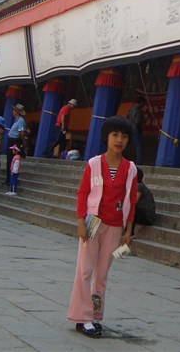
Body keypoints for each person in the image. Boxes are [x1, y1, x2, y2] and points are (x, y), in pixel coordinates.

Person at [67, 116, 138, 339]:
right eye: (114, 135)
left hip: (115, 225)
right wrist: (80, 222)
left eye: (124, 136)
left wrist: (128, 230)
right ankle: (82, 317)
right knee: (85, 269)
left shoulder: (131, 168)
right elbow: (83, 193)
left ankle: (95, 316)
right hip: (93, 222)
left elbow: (131, 201)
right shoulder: (94, 163)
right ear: (106, 137)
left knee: (102, 273)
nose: (119, 140)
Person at [6, 104, 26, 185]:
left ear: (17, 111)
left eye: (14, 110)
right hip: (11, 139)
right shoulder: (16, 120)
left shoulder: (21, 120)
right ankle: (8, 179)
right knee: (9, 160)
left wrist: (23, 143)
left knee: (11, 160)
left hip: (15, 140)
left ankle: (10, 179)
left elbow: (21, 133)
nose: (13, 112)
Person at [126, 96, 146, 165]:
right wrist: (144, 120)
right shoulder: (138, 111)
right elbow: (137, 122)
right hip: (135, 130)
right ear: (141, 103)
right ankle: (139, 161)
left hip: (130, 129)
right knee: (138, 146)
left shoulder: (131, 110)